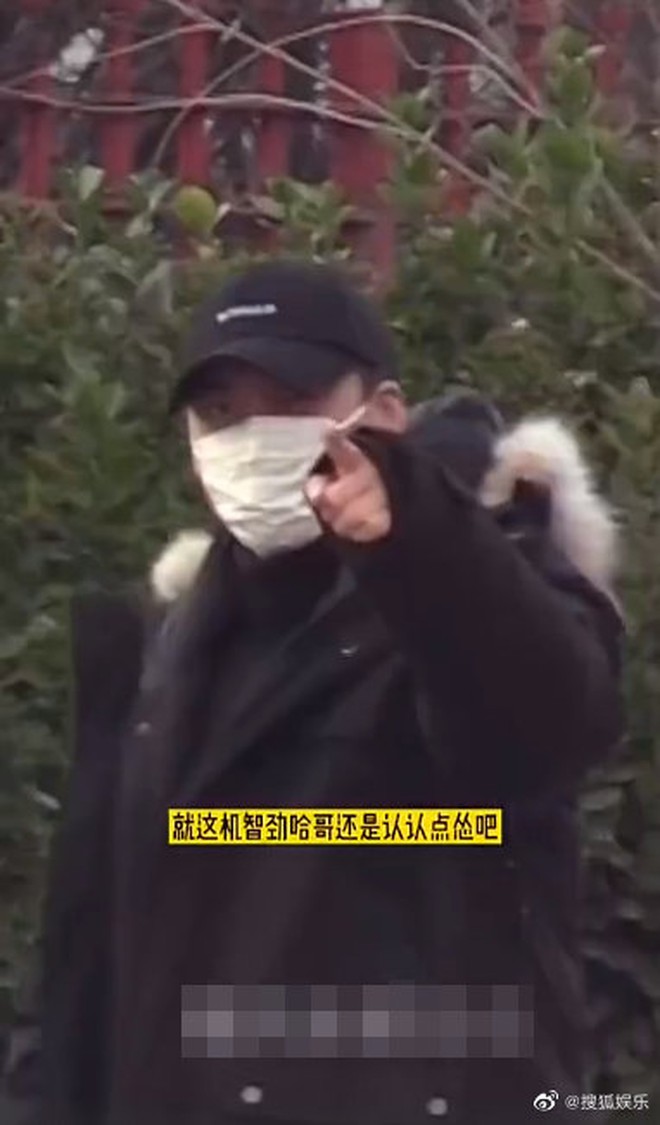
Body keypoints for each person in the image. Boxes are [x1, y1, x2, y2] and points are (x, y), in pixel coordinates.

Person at [6, 259, 623, 1125]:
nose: (251, 437)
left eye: (291, 402)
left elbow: (542, 726)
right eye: (221, 413)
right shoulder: (172, 638)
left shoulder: (471, 595)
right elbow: (94, 945)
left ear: (385, 413)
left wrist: (418, 539)